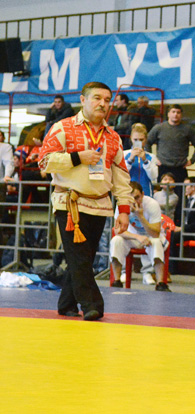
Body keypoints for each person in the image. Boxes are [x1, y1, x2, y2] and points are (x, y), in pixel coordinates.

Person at [38, 81, 132, 321]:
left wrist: (124, 209)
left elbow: (121, 176)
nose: (103, 103)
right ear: (83, 100)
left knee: (83, 259)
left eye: (107, 100)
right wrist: (77, 157)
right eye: (97, 98)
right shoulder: (63, 127)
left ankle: (66, 303)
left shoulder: (113, 137)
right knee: (79, 258)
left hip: (100, 204)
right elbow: (44, 161)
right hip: (70, 202)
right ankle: (93, 304)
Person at [110, 181, 171, 291]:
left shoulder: (152, 204)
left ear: (143, 194)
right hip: (133, 237)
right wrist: (137, 237)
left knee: (156, 242)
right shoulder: (121, 206)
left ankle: (161, 283)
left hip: (152, 236)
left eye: (137, 197)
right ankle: (117, 281)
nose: (134, 202)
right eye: (130, 199)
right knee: (116, 240)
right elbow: (118, 230)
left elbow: (155, 233)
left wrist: (140, 216)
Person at [146, 104, 195, 198]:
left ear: (181, 115)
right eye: (173, 112)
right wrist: (153, 159)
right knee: (160, 197)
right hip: (162, 167)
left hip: (180, 168)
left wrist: (192, 160)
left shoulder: (187, 129)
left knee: (180, 197)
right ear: (168, 114)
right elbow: (147, 142)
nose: (175, 114)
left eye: (178, 112)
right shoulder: (159, 128)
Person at [170, 176, 195, 274]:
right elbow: (178, 215)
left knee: (172, 236)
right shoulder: (184, 199)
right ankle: (170, 267)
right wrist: (177, 226)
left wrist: (182, 228)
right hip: (183, 228)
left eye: (186, 186)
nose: (184, 188)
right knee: (169, 235)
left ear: (193, 187)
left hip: (194, 230)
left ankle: (172, 269)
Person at [124, 123, 158, 196]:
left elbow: (154, 177)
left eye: (141, 140)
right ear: (131, 139)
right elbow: (121, 174)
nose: (138, 142)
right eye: (135, 139)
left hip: (146, 192)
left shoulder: (151, 157)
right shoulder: (124, 154)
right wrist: (130, 160)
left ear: (146, 139)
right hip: (128, 192)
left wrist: (145, 161)